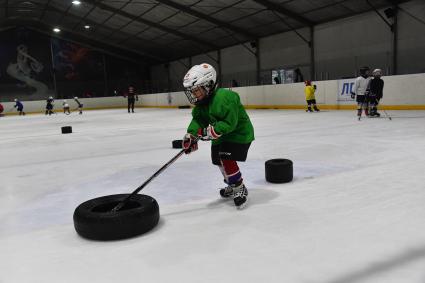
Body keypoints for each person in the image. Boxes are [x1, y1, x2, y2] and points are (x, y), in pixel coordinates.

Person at [181, 63, 255, 209]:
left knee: (225, 157)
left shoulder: (226, 97)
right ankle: (231, 184)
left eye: (197, 90)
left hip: (238, 133)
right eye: (192, 91)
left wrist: (210, 132)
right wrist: (191, 135)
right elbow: (198, 121)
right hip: (221, 135)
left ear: (208, 84)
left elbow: (230, 123)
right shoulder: (202, 104)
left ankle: (239, 187)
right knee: (217, 160)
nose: (194, 95)